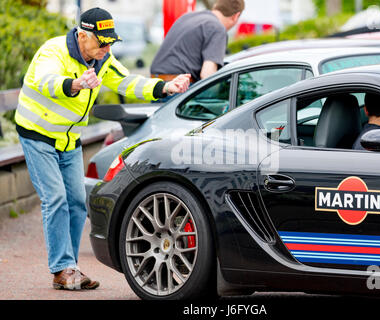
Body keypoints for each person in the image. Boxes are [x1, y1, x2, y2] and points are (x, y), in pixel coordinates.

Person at [14, 7, 191, 291]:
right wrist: (75, 84)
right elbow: (46, 82)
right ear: (82, 35)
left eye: (110, 41)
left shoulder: (102, 59)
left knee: (75, 202)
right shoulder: (54, 51)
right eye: (101, 41)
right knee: (56, 200)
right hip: (38, 135)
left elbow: (127, 81)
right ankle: (62, 268)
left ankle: (68, 267)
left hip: (69, 140)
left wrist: (165, 88)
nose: (107, 47)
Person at [150, 0, 245, 85]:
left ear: (216, 6)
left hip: (156, 85)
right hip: (177, 86)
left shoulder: (188, 16)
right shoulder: (217, 28)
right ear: (236, 16)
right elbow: (207, 75)